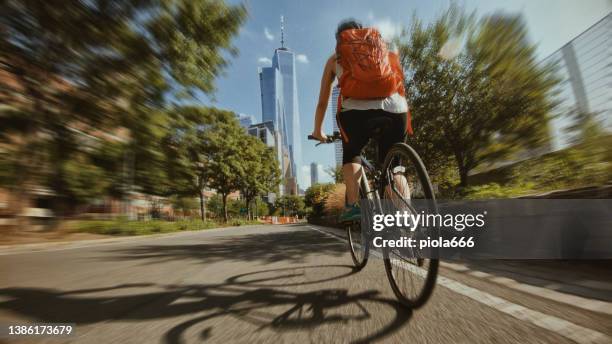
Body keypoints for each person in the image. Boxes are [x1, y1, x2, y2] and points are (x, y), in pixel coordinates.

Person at [310, 19, 411, 222]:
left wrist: (318, 131)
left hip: (356, 113)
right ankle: (406, 217)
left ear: (340, 40)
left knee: (352, 153)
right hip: (396, 109)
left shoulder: (335, 59)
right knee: (395, 168)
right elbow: (399, 83)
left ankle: (352, 206)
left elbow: (322, 102)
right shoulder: (384, 52)